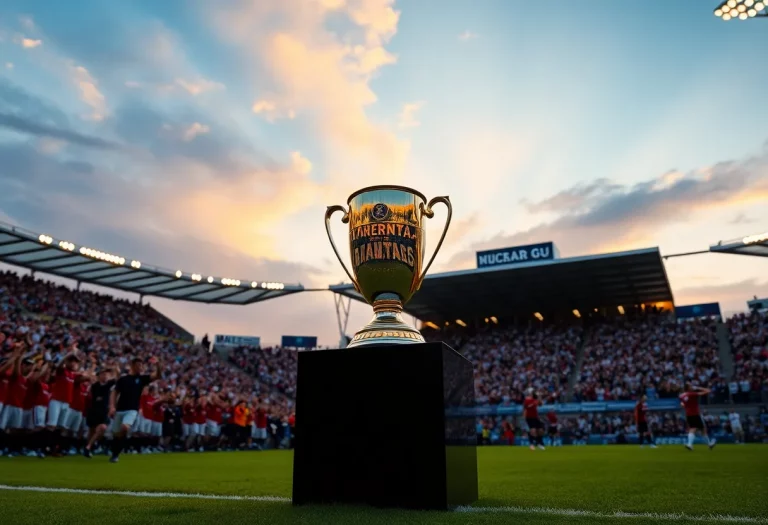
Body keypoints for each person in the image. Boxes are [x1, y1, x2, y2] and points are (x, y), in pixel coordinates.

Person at [108, 357, 162, 463]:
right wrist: (112, 407)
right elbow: (114, 393)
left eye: (141, 365)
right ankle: (115, 452)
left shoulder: (142, 379)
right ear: (132, 366)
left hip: (132, 410)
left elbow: (157, 376)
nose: (140, 367)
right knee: (116, 434)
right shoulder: (123, 379)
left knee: (124, 428)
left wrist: (158, 365)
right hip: (120, 409)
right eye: (138, 365)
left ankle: (116, 454)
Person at [84, 367, 117, 458]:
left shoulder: (110, 384)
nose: (105, 376)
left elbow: (116, 377)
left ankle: (89, 446)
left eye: (106, 374)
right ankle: (88, 448)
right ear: (99, 376)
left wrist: (113, 369)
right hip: (94, 410)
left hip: (104, 411)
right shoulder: (94, 386)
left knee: (102, 428)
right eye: (103, 374)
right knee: (91, 430)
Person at [679, 383, 716, 451]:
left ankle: (709, 444)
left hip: (688, 414)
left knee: (699, 428)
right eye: (690, 385)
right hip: (695, 413)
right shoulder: (692, 394)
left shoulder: (682, 395)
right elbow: (708, 391)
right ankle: (690, 444)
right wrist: (698, 387)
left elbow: (682, 404)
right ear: (688, 388)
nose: (692, 386)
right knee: (696, 429)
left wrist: (686, 406)